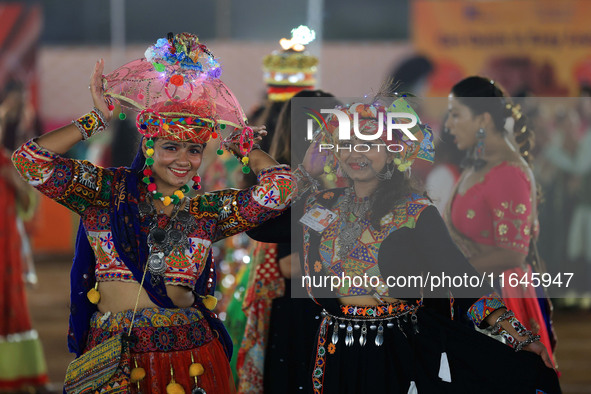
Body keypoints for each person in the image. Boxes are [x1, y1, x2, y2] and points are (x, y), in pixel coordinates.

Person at [12, 33, 294, 393]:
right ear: (148, 145)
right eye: (170, 147)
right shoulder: (104, 193)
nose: (183, 159)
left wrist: (245, 148)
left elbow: (280, 189)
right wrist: (95, 119)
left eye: (194, 150)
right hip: (115, 358)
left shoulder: (206, 210)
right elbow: (30, 161)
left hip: (188, 359)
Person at [292, 94, 559, 393]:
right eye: (346, 143)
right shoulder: (321, 204)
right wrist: (304, 173)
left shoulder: (416, 212)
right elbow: (263, 227)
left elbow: (463, 279)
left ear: (394, 150)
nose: (357, 152)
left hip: (397, 349)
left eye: (370, 142)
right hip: (334, 348)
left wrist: (520, 337)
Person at [444, 76, 557, 365]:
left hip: (503, 299)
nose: (448, 125)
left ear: (482, 118)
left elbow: (512, 253)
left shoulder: (509, 172)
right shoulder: (479, 163)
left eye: (456, 115)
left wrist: (442, 273)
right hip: (476, 292)